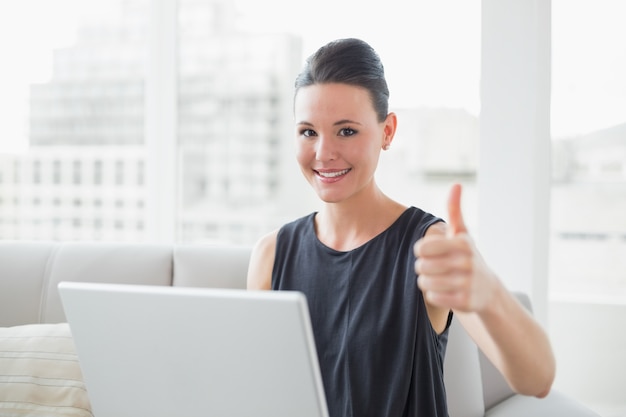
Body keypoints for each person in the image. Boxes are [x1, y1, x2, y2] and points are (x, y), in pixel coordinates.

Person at [247, 38, 555, 417]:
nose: (323, 152)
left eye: (346, 131)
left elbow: (536, 380)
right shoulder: (271, 254)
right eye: (308, 131)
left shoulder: (430, 247)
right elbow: (262, 393)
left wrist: (490, 293)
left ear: (387, 131)